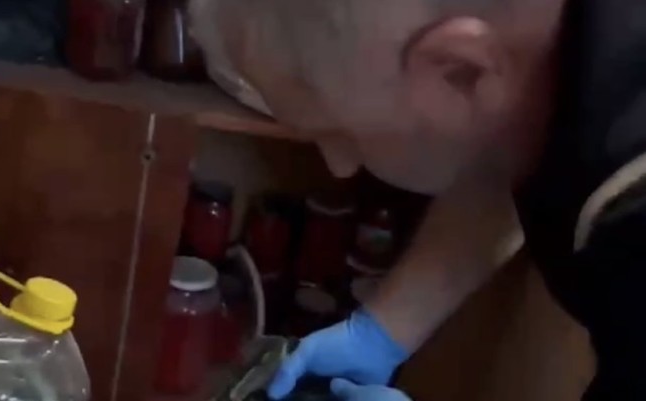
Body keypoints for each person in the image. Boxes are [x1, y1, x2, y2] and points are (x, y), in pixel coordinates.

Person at [191, 0, 646, 400]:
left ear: (463, 72)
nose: (339, 165)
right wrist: (382, 332)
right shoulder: (544, 53)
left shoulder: (634, 221)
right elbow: (499, 144)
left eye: (340, 132)